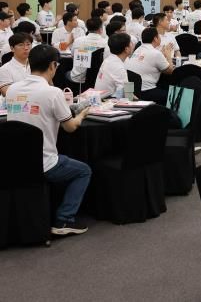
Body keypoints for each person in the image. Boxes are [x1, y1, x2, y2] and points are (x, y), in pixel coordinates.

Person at [6, 45, 92, 235]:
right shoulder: (53, 93)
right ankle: (64, 219)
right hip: (44, 163)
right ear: (53, 65)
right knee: (83, 171)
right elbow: (70, 127)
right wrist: (82, 115)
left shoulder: (12, 89)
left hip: (12, 161)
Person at [125, 27, 174, 105]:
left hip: (132, 90)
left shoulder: (138, 49)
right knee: (171, 96)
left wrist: (162, 55)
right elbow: (170, 71)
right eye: (159, 36)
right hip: (146, 91)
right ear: (155, 39)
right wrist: (168, 55)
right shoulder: (155, 53)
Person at [69, 18, 108, 84]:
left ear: (87, 28)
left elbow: (72, 55)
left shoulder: (78, 41)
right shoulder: (106, 43)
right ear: (101, 29)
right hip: (97, 78)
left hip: (78, 77)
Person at [94, 33, 132, 97]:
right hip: (107, 100)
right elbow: (128, 94)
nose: (132, 45)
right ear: (126, 49)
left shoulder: (108, 60)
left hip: (101, 97)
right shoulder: (118, 67)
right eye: (130, 43)